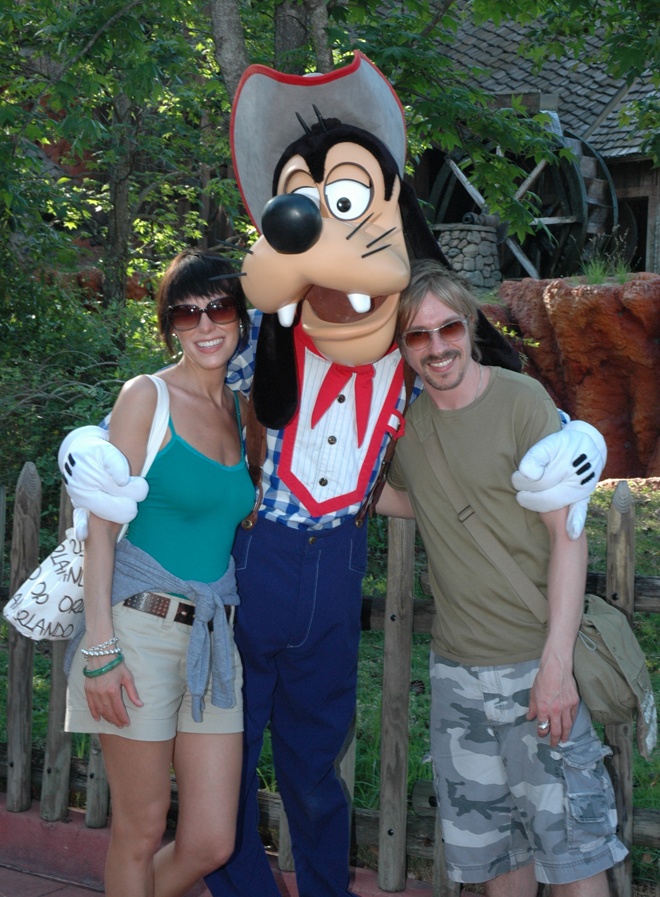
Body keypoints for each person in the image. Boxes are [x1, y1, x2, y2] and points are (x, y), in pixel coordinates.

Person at [57, 57, 607, 897]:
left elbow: (487, 394)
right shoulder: (259, 346)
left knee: (317, 757)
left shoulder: (408, 355)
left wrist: (578, 441)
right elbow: (184, 387)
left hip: (338, 562)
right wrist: (91, 442)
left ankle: (324, 887)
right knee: (233, 744)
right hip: (258, 559)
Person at [376, 260, 627, 896]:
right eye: (418, 335)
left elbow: (567, 537)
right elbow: (404, 497)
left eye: (448, 328)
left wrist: (556, 667)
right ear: (402, 346)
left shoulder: (521, 402)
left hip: (534, 667)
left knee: (576, 859)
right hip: (455, 676)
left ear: (470, 325)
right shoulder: (410, 429)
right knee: (496, 864)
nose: (437, 347)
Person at [64, 250, 256, 897]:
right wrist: (100, 649)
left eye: (218, 308)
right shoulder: (146, 395)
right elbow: (100, 527)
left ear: (240, 317)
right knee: (140, 830)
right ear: (169, 324)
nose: (204, 325)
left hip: (213, 640)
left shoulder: (242, 411)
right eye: (185, 312)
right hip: (138, 632)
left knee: (211, 840)